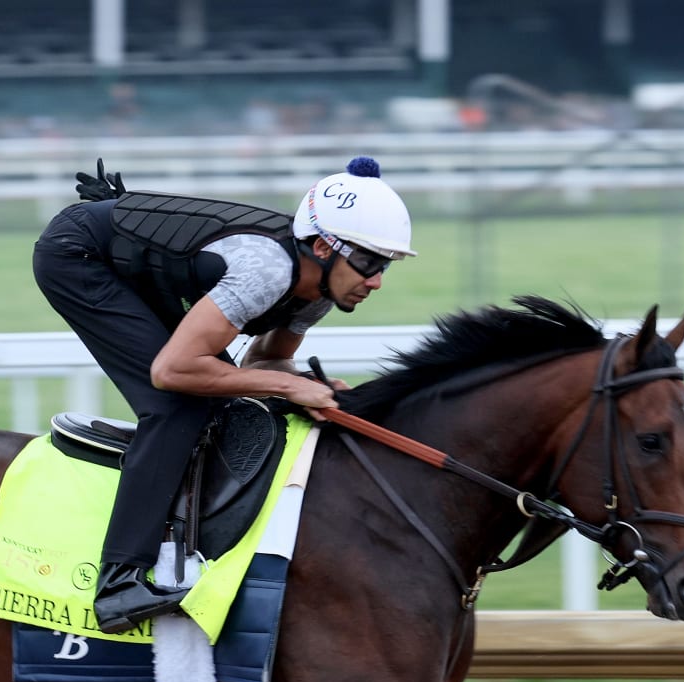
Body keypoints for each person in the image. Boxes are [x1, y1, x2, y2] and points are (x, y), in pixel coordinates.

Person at [32, 156, 416, 634]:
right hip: (78, 254)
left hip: (123, 255)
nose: (376, 280)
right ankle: (117, 583)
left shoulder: (318, 290)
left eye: (385, 265)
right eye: (368, 263)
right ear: (322, 246)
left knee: (220, 398)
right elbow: (173, 370)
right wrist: (289, 385)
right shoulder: (269, 271)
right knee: (178, 406)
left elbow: (264, 364)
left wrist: (310, 385)